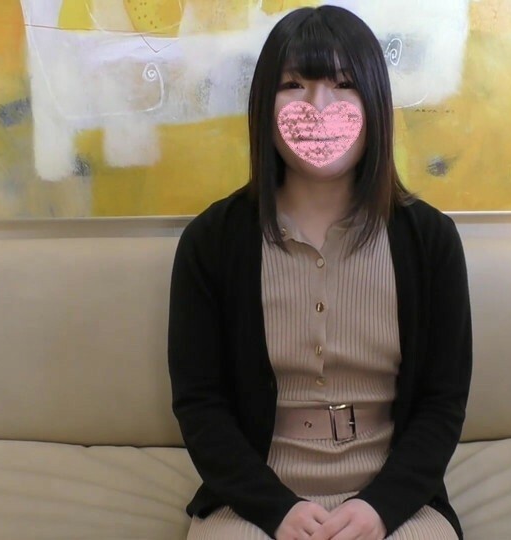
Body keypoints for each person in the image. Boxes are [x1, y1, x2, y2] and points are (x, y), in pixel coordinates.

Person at [167, 6, 472, 540]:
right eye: (293, 85)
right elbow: (200, 403)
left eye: (344, 83)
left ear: (374, 102)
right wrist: (274, 508)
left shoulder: (431, 241)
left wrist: (380, 507)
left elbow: (442, 402)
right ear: (264, 105)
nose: (318, 105)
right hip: (252, 498)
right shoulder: (211, 241)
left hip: (395, 497)